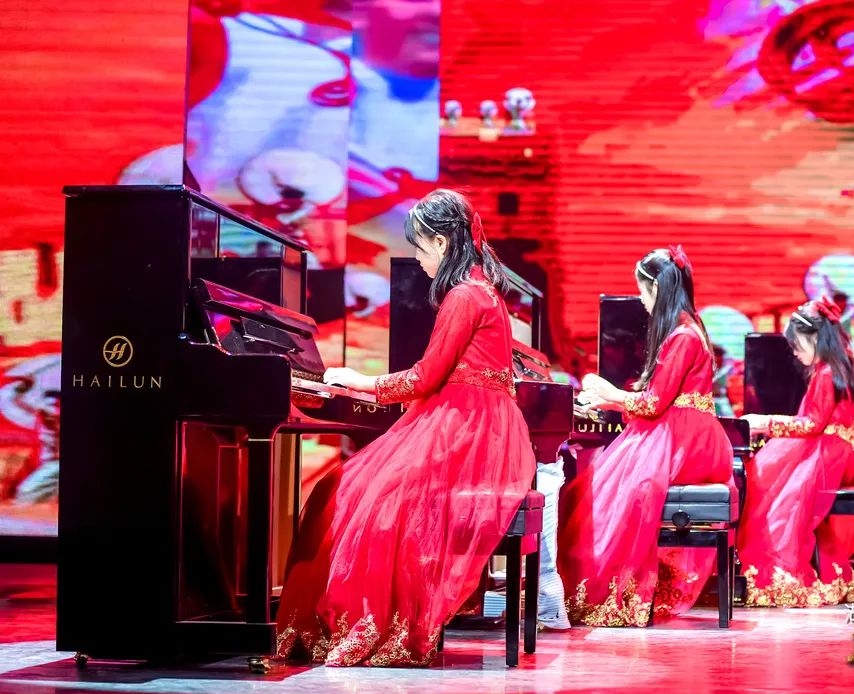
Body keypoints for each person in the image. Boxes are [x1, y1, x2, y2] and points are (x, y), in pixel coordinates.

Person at [274, 189, 534, 667]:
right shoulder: (486, 292)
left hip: (464, 429)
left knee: (361, 494)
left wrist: (358, 380)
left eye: (419, 247)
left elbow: (423, 378)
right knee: (353, 486)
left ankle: (373, 620)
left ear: (441, 242)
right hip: (478, 425)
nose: (417, 258)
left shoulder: (464, 296)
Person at [557, 246, 733, 626]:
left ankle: (606, 589)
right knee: (596, 486)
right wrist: (611, 399)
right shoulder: (688, 329)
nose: (640, 299)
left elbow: (653, 404)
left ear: (657, 288)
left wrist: (610, 392)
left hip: (685, 441)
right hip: (685, 434)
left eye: (642, 290)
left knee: (603, 491)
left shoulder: (683, 336)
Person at [738, 299, 854, 607]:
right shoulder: (840, 368)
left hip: (825, 455)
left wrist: (766, 423)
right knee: (772, 486)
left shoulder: (826, 374)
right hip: (837, 452)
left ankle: (782, 578)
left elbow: (813, 424)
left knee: (775, 500)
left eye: (797, 345)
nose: (795, 353)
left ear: (814, 337)